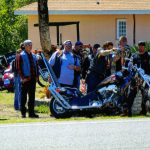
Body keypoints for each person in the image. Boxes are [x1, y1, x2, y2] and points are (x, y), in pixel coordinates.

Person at [16, 40, 39, 118]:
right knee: (24, 97)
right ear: (25, 46)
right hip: (25, 79)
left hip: (32, 79)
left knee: (32, 97)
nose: (30, 46)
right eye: (29, 45)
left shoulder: (33, 55)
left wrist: (37, 76)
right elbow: (18, 68)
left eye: (31, 45)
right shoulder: (21, 55)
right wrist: (23, 78)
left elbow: (36, 66)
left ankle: (31, 113)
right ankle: (23, 113)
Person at [127, 41, 150, 116]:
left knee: (145, 95)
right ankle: (129, 111)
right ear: (138, 46)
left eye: (142, 46)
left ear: (145, 47)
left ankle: (144, 111)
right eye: (140, 46)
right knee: (132, 94)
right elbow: (129, 65)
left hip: (145, 79)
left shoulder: (148, 56)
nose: (141, 48)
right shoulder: (134, 55)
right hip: (135, 78)